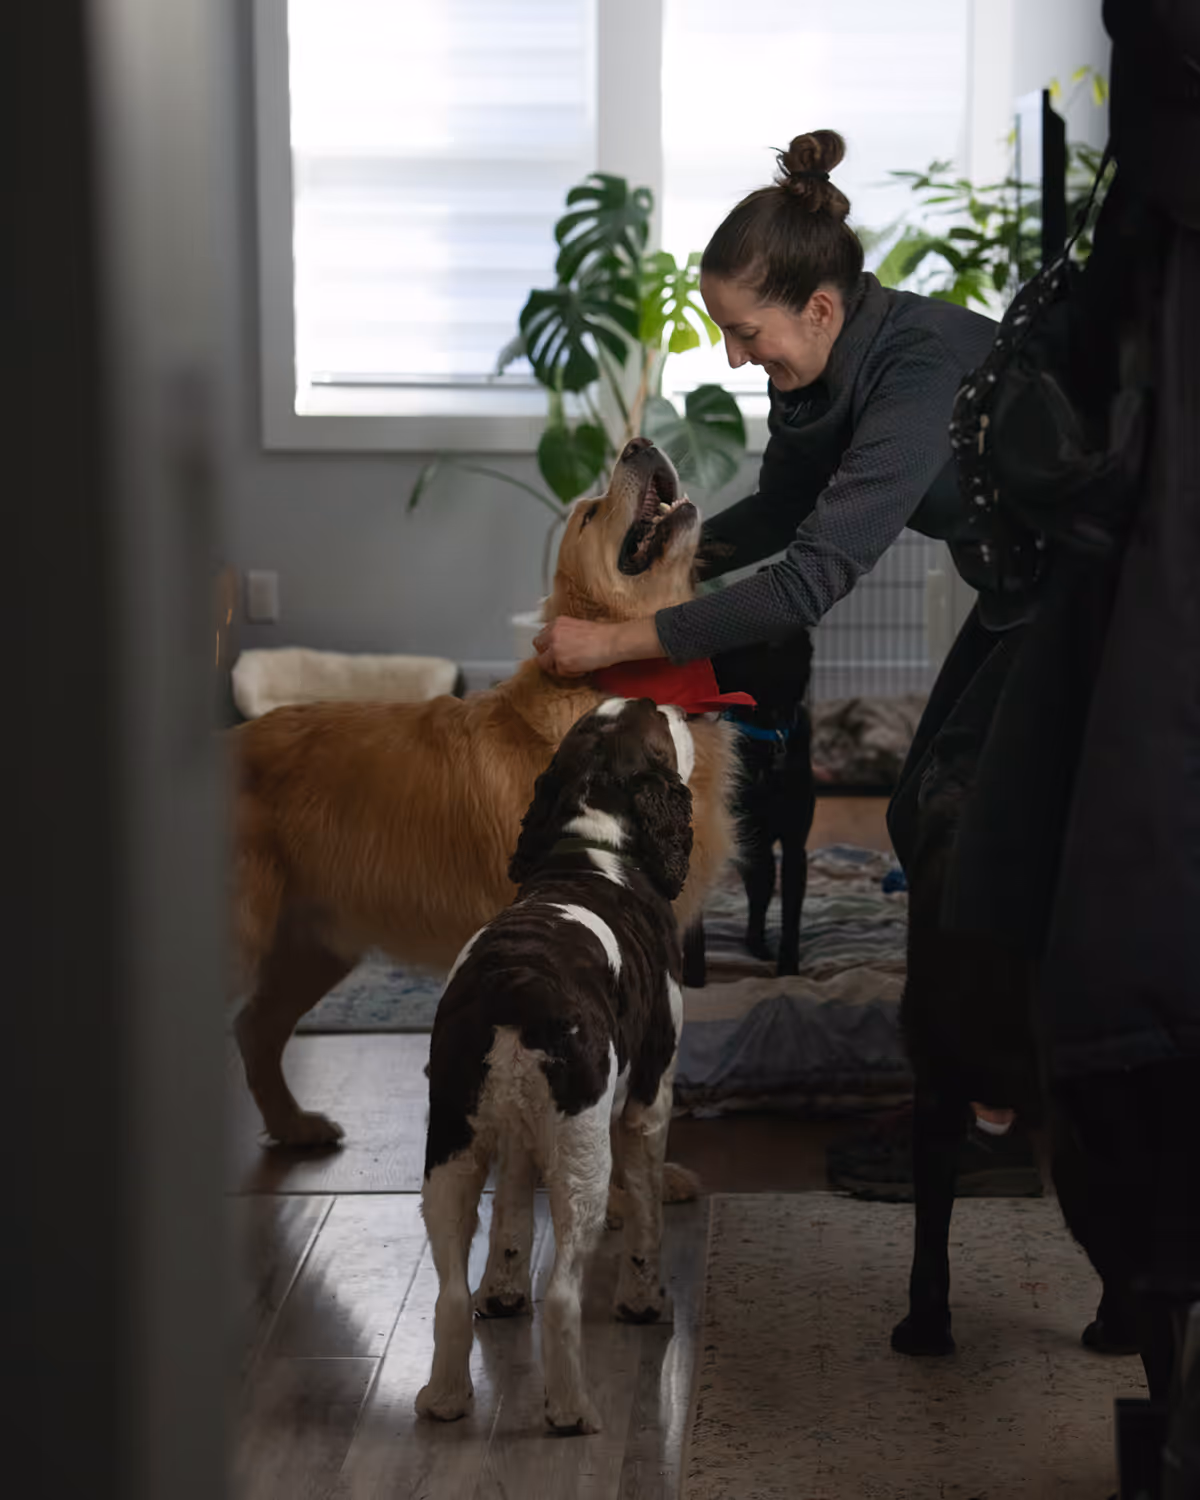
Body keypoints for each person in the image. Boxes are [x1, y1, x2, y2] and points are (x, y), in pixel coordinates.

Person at [533, 128, 1011, 689]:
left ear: (819, 310)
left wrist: (610, 642)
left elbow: (808, 582)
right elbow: (781, 510)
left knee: (963, 771)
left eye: (746, 333)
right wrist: (650, 562)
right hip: (1010, 585)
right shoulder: (807, 375)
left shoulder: (919, 371)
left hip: (1095, 581)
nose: (736, 358)